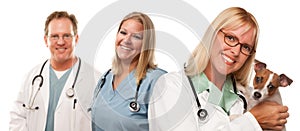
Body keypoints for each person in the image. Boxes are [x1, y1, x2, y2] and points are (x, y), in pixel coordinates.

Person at [148, 7, 289, 131]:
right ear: (213, 35)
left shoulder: (244, 97)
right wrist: (253, 121)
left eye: (246, 47)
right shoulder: (171, 87)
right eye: (231, 38)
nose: (235, 51)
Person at [9, 11, 100, 131]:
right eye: (54, 36)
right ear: (46, 40)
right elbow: (17, 117)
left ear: (76, 39)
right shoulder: (31, 77)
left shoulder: (96, 79)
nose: (61, 42)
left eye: (67, 36)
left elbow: (102, 123)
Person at [90, 12, 167, 131]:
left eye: (136, 37)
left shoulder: (157, 80)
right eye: (123, 33)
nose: (126, 40)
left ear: (146, 44)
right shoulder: (105, 79)